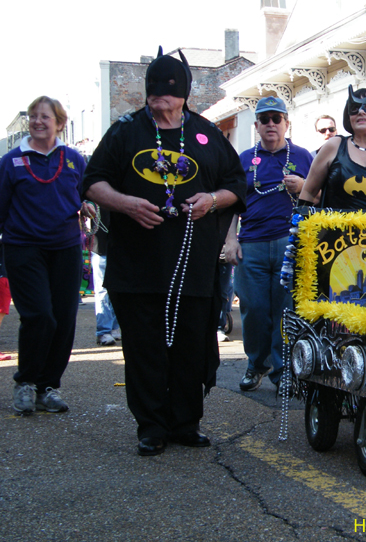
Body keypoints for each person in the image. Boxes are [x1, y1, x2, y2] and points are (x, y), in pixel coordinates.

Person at [84, 47, 246, 456]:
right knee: (145, 347)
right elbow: (93, 182)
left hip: (193, 265)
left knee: (191, 345)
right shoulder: (125, 131)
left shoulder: (207, 134)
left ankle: (185, 422)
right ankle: (152, 426)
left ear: (185, 94)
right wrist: (125, 204)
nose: (160, 101)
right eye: (154, 94)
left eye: (169, 94)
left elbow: (236, 186)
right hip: (138, 265)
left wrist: (211, 199)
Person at [0, 96, 93, 415]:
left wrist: (87, 205)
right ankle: (25, 382)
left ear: (60, 123)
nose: (38, 121)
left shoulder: (74, 159)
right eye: (33, 116)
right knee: (40, 315)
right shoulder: (11, 161)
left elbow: (83, 192)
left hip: (65, 248)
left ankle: (48, 386)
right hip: (23, 248)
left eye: (45, 116)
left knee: (65, 319)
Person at [224, 96, 313, 393]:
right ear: (257, 125)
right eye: (265, 119)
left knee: (286, 310)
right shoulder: (243, 159)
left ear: (287, 123)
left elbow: (321, 198)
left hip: (291, 242)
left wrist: (303, 186)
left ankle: (284, 370)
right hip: (252, 244)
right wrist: (230, 240)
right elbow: (231, 204)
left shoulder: (303, 156)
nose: (271, 124)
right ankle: (256, 364)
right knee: (254, 308)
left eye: (277, 119)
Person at [91, 207, 122, 346]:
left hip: (119, 246)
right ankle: (104, 330)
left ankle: (115, 327)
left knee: (118, 289)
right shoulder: (97, 193)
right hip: (101, 246)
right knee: (102, 291)